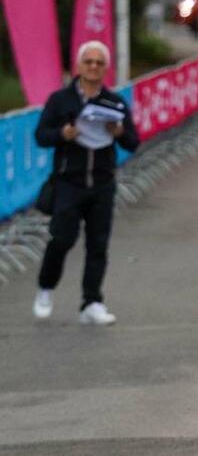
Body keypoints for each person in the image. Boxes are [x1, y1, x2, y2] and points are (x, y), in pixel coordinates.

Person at [33, 40, 141, 325]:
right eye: (88, 62)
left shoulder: (114, 101)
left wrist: (118, 132)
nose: (93, 67)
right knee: (62, 238)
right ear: (78, 66)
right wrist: (62, 134)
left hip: (103, 183)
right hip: (69, 182)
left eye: (99, 62)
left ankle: (91, 302)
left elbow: (133, 142)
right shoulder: (61, 100)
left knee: (98, 244)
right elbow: (40, 135)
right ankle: (46, 286)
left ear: (106, 68)